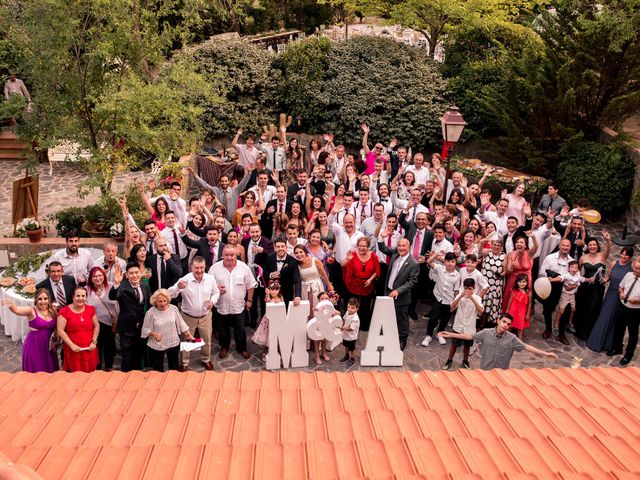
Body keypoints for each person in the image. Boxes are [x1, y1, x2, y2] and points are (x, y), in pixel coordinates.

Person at [439, 313, 558, 369]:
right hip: (485, 371)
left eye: (508, 324)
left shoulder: (512, 338)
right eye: (504, 322)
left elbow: (526, 347)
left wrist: (546, 354)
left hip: (502, 374)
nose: (506, 325)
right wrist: (451, 334)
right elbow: (470, 337)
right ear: (498, 320)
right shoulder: (486, 333)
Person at [169, 256, 220, 370]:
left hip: (205, 316)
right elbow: (170, 294)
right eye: (196, 268)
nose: (199, 270)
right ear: (191, 267)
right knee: (187, 340)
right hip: (188, 317)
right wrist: (177, 287)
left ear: (205, 267)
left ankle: (205, 359)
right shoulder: (184, 280)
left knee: (206, 340)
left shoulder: (210, 279)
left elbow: (216, 293)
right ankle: (185, 362)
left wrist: (212, 301)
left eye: (202, 267)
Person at [209, 246, 257, 360]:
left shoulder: (243, 267)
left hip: (238, 305)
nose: (229, 257)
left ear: (236, 255)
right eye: (227, 255)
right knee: (222, 328)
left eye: (232, 255)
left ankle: (242, 348)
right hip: (221, 305)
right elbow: (209, 286)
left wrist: (249, 300)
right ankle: (224, 347)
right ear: (222, 255)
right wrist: (216, 289)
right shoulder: (214, 268)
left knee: (240, 328)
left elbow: (250, 286)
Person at [587, 246, 633, 352]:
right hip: (610, 294)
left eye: (626, 255)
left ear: (630, 257)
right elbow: (609, 277)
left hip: (621, 296)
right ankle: (597, 342)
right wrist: (604, 280)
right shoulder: (613, 263)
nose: (623, 256)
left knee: (615, 319)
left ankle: (610, 344)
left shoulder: (631, 267)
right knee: (605, 315)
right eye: (622, 253)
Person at [2, 288, 58, 373]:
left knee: (50, 370)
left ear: (49, 299)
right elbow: (16, 310)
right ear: (36, 300)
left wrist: (56, 341)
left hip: (49, 347)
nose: (43, 301)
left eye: (45, 298)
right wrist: (8, 302)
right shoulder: (31, 311)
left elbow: (57, 327)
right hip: (35, 346)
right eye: (40, 299)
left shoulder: (52, 311)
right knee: (36, 370)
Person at [109, 262, 151, 372]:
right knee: (127, 356)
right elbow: (113, 296)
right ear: (127, 275)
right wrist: (116, 283)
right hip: (127, 327)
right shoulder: (122, 287)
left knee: (138, 354)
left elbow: (149, 303)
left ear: (140, 273)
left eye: (136, 273)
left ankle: (136, 379)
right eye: (131, 273)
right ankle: (125, 379)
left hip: (141, 326)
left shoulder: (145, 286)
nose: (134, 275)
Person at [141, 288, 195, 372]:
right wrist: (154, 334)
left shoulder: (173, 309)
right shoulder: (150, 313)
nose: (163, 304)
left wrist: (189, 335)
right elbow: (145, 330)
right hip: (157, 344)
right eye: (160, 301)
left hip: (172, 341)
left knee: (174, 367)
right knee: (157, 369)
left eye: (165, 301)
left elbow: (181, 323)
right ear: (155, 302)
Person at [382, 238, 420, 350]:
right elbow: (382, 248)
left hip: (401, 297)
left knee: (402, 319)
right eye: (399, 245)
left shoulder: (414, 263)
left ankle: (402, 339)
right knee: (388, 316)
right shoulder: (395, 255)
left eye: (404, 246)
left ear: (409, 247)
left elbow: (412, 281)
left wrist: (398, 290)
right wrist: (381, 237)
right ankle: (388, 335)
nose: (401, 248)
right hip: (388, 292)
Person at [573, 233, 611, 339]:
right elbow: (578, 272)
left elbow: (608, 249)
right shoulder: (583, 258)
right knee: (583, 308)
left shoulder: (602, 256)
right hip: (585, 287)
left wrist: (608, 240)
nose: (592, 247)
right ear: (587, 246)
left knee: (593, 309)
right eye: (590, 245)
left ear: (597, 246)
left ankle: (590, 332)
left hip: (597, 288)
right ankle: (580, 330)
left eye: (594, 245)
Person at [442, 279, 484, 370]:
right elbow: (451, 308)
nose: (468, 291)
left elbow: (481, 311)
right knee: (454, 345)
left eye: (470, 289)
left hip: (469, 327)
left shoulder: (477, 298)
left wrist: (472, 298)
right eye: (466, 288)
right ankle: (449, 360)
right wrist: (460, 296)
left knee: (467, 346)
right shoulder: (459, 296)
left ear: (474, 288)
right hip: (458, 326)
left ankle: (465, 361)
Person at [539, 238, 574, 344]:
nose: (565, 247)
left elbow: (575, 275)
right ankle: (548, 329)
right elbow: (542, 271)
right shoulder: (550, 258)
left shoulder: (571, 261)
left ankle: (562, 333)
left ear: (570, 247)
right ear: (559, 245)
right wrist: (551, 276)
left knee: (566, 311)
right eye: (563, 245)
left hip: (565, 289)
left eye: (567, 246)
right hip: (551, 287)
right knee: (548, 309)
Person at [56, 287, 100, 372]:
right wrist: (72, 345)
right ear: (73, 297)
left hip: (89, 349)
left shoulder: (90, 309)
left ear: (86, 297)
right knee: (75, 375)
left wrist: (94, 341)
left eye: (83, 296)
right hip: (74, 350)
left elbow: (97, 326)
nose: (80, 298)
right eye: (78, 296)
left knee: (90, 375)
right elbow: (60, 330)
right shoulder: (64, 311)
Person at [342, 237, 380, 331]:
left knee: (365, 306)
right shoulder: (353, 254)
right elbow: (342, 265)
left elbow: (377, 271)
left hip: (367, 284)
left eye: (364, 246)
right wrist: (348, 259)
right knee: (352, 304)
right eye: (359, 246)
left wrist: (371, 279)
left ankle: (364, 325)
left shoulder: (374, 256)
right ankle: (350, 324)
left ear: (368, 247)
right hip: (354, 283)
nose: (361, 248)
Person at [423, 252, 461, 347]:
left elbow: (456, 291)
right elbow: (428, 261)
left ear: (455, 262)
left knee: (445, 318)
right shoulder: (440, 268)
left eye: (452, 261)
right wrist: (436, 254)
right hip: (438, 297)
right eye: (448, 261)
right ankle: (428, 335)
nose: (450, 263)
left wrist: (454, 303)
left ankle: (439, 333)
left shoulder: (457, 275)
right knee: (433, 317)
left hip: (449, 300)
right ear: (444, 262)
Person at [86, 266, 119, 371]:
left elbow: (117, 303)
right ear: (91, 278)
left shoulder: (111, 286)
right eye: (94, 276)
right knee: (97, 346)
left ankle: (109, 366)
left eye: (100, 275)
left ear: (104, 276)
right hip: (94, 323)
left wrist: (117, 319)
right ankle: (98, 367)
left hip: (110, 322)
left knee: (109, 345)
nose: (97, 278)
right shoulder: (87, 290)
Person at [609, 259, 640, 365]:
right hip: (622, 306)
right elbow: (620, 287)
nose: (635, 270)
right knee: (618, 329)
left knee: (633, 334)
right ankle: (617, 348)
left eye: (638, 268)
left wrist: (637, 301)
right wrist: (621, 293)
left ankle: (628, 355)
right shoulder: (629, 275)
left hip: (635, 311)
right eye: (635, 267)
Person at [502, 234, 537, 311]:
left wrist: (533, 237)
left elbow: (536, 247)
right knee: (510, 302)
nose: (519, 244)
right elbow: (507, 271)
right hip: (513, 281)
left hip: (526, 282)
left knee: (523, 304)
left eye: (521, 242)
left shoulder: (529, 253)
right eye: (517, 242)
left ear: (525, 245)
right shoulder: (511, 254)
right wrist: (512, 267)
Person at [264, 238, 302, 307]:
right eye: (278, 247)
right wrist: (271, 275)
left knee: (286, 313)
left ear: (286, 247)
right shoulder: (270, 258)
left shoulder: (292, 261)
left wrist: (297, 296)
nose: (280, 249)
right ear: (274, 248)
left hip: (287, 293)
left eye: (282, 246)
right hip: (272, 293)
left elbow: (297, 280)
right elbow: (264, 272)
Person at [252, 281, 282, 362]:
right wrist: (267, 294)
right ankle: (265, 352)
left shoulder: (280, 298)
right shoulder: (269, 298)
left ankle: (277, 352)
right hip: (268, 321)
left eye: (276, 289)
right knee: (267, 338)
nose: (274, 291)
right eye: (272, 289)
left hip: (277, 320)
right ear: (269, 290)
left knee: (276, 337)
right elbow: (267, 300)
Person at [505, 274, 531, 339]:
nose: (521, 284)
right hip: (513, 309)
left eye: (524, 282)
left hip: (522, 311)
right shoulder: (514, 290)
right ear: (517, 282)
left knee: (520, 325)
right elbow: (510, 299)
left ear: (527, 282)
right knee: (510, 323)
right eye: (519, 281)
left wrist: (527, 314)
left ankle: (519, 339)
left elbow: (530, 303)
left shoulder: (528, 292)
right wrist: (508, 309)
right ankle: (507, 336)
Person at [339, 298, 361, 368]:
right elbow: (344, 319)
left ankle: (352, 359)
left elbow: (351, 329)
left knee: (351, 348)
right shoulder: (347, 312)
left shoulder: (355, 319)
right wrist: (342, 325)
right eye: (348, 307)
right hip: (346, 335)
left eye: (352, 308)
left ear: (357, 309)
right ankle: (346, 355)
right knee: (346, 345)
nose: (350, 309)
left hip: (352, 337)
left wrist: (342, 328)